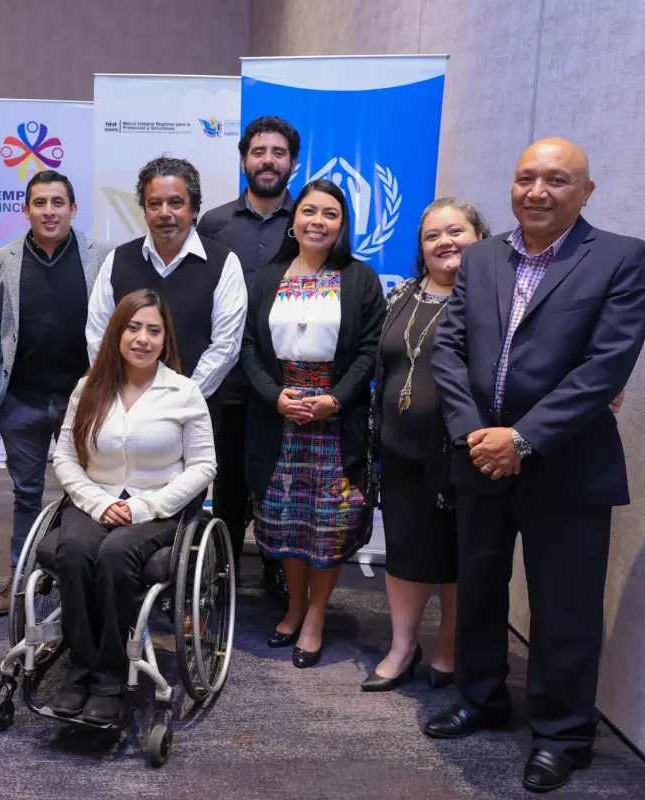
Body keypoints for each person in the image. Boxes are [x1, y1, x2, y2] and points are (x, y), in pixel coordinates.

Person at [428, 138, 645, 793]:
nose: (537, 191)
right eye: (526, 178)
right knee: (479, 589)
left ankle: (561, 734)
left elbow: (605, 366)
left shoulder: (619, 257)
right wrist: (476, 435)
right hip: (478, 462)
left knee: (564, 610)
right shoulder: (480, 258)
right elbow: (449, 349)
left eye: (557, 180)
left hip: (567, 467)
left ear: (586, 191)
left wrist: (521, 439)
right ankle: (481, 698)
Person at [51, 289, 216, 723]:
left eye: (153, 330)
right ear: (117, 333)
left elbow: (203, 466)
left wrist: (143, 508)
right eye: (133, 327)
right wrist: (97, 502)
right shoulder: (88, 387)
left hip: (158, 506)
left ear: (166, 339)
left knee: (116, 554)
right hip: (93, 499)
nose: (142, 338)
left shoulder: (184, 391)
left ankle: (108, 680)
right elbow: (65, 457)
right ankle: (79, 672)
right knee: (73, 552)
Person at [242, 179, 384, 669]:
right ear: (293, 219)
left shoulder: (361, 279)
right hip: (278, 415)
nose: (318, 222)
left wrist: (335, 400)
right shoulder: (267, 276)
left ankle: (317, 615)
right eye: (309, 211)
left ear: (342, 225)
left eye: (330, 214)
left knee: (327, 523)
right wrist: (276, 397)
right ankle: (294, 606)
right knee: (285, 519)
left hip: (333, 419)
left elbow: (370, 351)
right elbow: (248, 349)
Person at [361, 198, 491, 692]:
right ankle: (402, 647)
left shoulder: (490, 300)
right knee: (405, 553)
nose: (444, 242)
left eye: (456, 230)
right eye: (432, 235)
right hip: (398, 454)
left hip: (460, 453)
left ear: (480, 237)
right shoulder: (402, 297)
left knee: (456, 556)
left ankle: (448, 647)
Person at [0, 170, 110, 616]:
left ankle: (81, 579)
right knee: (26, 495)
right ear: (26, 210)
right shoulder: (4, 259)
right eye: (40, 203)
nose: (49, 211)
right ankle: (20, 582)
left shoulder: (101, 257)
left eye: (58, 202)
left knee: (87, 494)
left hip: (84, 403)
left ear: (73, 209)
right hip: (23, 402)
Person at [198, 115, 300, 602]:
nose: (267, 161)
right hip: (230, 377)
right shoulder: (214, 223)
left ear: (292, 164)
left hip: (290, 379)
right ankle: (223, 571)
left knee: (279, 477)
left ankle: (279, 570)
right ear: (244, 160)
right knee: (232, 478)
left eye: (278, 153)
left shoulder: (309, 220)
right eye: (259, 152)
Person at [85, 157, 246, 401]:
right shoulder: (117, 260)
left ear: (194, 210)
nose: (164, 213)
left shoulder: (224, 263)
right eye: (154, 204)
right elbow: (99, 336)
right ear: (144, 210)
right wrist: (122, 394)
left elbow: (226, 347)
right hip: (124, 407)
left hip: (195, 410)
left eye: (175, 203)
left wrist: (178, 401)